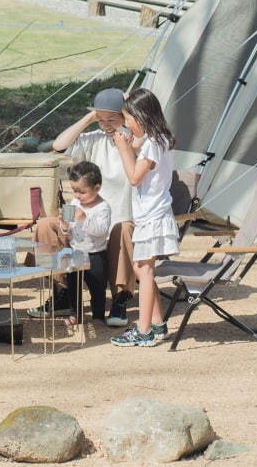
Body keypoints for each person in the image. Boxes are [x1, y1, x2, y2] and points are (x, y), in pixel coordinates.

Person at [51, 88, 137, 326]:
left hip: (119, 219)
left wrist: (127, 121)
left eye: (112, 119)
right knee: (47, 226)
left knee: (124, 230)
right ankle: (61, 293)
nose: (106, 125)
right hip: (81, 219)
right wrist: (92, 117)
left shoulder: (135, 142)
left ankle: (120, 298)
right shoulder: (93, 140)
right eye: (102, 120)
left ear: (125, 116)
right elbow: (59, 145)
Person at [109, 87, 180, 348]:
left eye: (128, 118)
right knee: (143, 268)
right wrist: (126, 104)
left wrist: (122, 150)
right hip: (153, 214)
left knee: (144, 270)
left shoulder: (152, 144)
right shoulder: (157, 137)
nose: (126, 124)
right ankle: (158, 325)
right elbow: (136, 143)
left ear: (140, 117)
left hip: (153, 216)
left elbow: (134, 177)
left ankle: (144, 331)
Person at [27, 160, 112, 325]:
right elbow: (66, 230)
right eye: (74, 191)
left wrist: (84, 219)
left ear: (97, 188)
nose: (77, 196)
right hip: (76, 251)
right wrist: (64, 226)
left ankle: (98, 315)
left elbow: (101, 231)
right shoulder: (74, 203)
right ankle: (75, 313)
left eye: (82, 192)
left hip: (96, 254)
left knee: (97, 288)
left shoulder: (103, 207)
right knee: (74, 286)